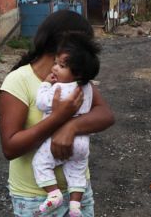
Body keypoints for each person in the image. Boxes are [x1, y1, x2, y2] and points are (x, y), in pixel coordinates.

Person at [0, 10, 115, 217]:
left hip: (77, 193)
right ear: (64, 46)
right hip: (34, 197)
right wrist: (58, 118)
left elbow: (106, 114)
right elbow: (10, 147)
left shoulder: (75, 78)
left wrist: (71, 126)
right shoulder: (18, 81)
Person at [32, 33, 100, 216]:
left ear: (77, 73)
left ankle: (53, 195)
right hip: (81, 143)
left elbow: (42, 103)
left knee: (40, 163)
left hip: (59, 139)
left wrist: (45, 84)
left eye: (61, 66)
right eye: (55, 62)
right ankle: (76, 206)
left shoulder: (60, 88)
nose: (54, 68)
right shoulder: (87, 88)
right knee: (77, 171)